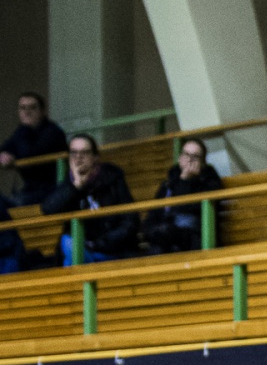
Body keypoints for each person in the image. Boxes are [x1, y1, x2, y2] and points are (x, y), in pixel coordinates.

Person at [42, 133, 139, 263]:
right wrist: (76, 185)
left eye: (84, 153)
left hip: (113, 251)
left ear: (95, 157)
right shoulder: (69, 184)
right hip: (83, 250)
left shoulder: (113, 178)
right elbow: (48, 209)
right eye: (74, 153)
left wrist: (99, 243)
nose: (78, 158)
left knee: (71, 255)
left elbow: (130, 222)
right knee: (68, 243)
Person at [144, 138, 224, 254]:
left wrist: (186, 180)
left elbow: (190, 209)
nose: (190, 160)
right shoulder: (169, 183)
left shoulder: (210, 181)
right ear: (180, 158)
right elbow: (153, 215)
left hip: (196, 238)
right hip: (166, 239)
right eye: (186, 154)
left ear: (203, 162)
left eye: (195, 156)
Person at [0, 91, 67, 206]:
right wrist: (3, 154)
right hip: (29, 190)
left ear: (42, 111)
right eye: (23, 108)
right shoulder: (20, 132)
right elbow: (6, 148)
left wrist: (24, 129)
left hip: (52, 190)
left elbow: (28, 154)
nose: (27, 112)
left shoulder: (53, 132)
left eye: (32, 108)